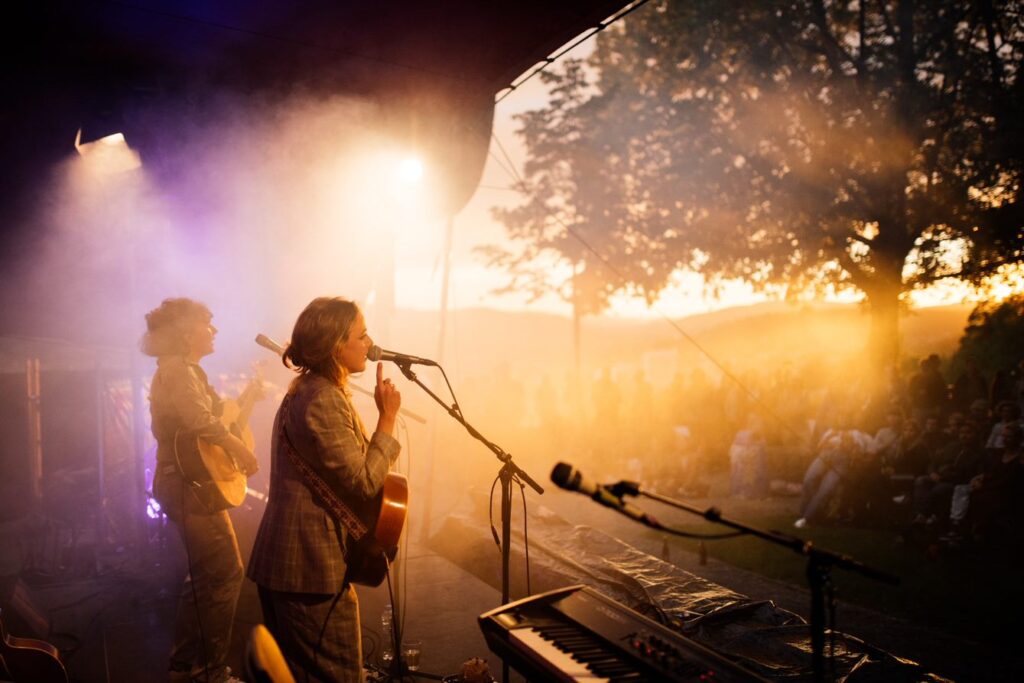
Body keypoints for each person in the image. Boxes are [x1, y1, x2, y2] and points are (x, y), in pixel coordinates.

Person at [247, 297, 401, 683]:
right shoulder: (323, 399)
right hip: (307, 569)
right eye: (361, 335)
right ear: (336, 346)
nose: (369, 342)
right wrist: (387, 419)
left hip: (295, 566)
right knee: (339, 676)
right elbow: (365, 482)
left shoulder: (312, 391)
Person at [143, 298, 260, 683]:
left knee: (204, 575)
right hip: (185, 484)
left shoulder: (187, 371)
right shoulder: (178, 370)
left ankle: (183, 665)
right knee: (227, 572)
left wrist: (248, 401)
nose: (215, 331)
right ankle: (210, 671)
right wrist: (240, 448)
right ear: (186, 331)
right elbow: (200, 423)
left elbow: (215, 423)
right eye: (207, 324)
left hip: (185, 481)